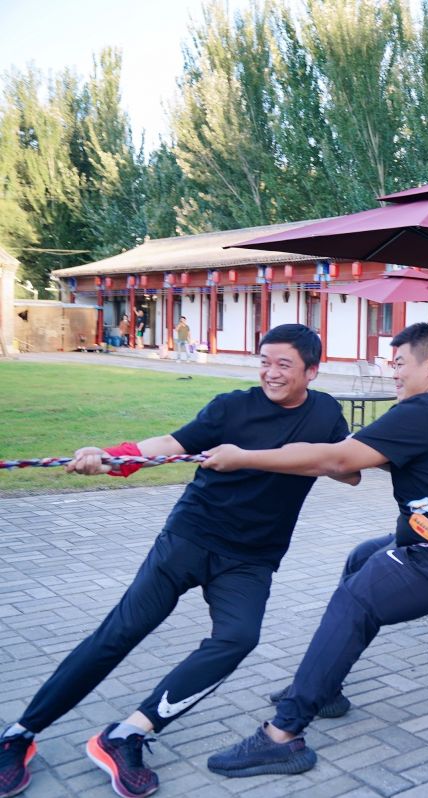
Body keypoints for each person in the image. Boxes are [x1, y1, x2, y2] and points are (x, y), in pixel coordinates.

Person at [0, 324, 357, 798]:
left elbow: (348, 472)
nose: (270, 373)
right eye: (264, 362)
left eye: (283, 365)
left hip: (251, 558)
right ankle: (20, 733)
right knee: (120, 632)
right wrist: (113, 457)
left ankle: (127, 734)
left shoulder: (327, 412)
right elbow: (171, 444)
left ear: (311, 371)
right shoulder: (232, 406)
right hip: (190, 537)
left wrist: (277, 459)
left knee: (238, 639)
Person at [202, 322, 428, 778]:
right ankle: (325, 689)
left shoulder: (425, 411)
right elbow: (364, 456)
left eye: (400, 364)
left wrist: (244, 457)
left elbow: (340, 459)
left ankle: (283, 736)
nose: (393, 373)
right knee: (362, 559)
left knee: (357, 599)